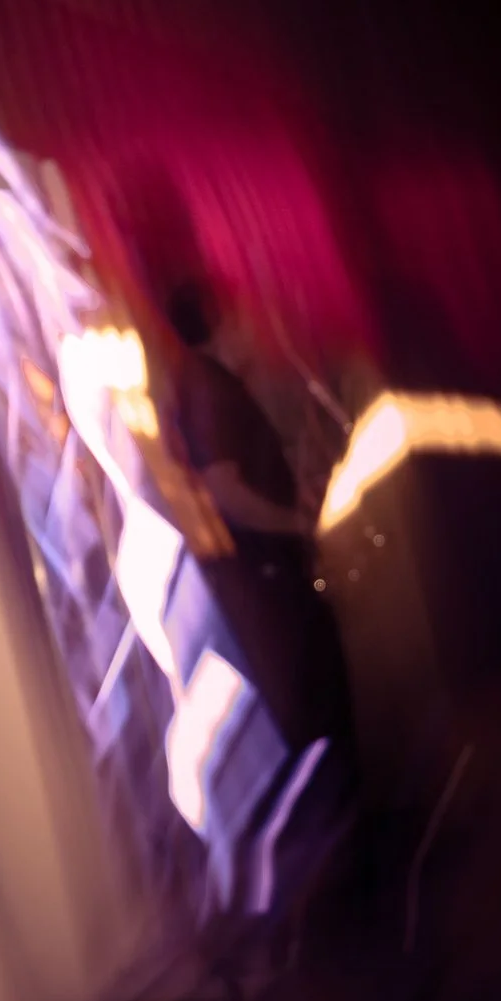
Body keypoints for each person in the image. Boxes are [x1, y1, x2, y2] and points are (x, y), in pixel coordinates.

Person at [164, 278, 353, 755]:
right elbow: (226, 492)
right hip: (268, 572)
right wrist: (295, 523)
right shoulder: (209, 389)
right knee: (318, 694)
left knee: (320, 691)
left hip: (266, 571)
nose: (255, 325)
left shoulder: (211, 384)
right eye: (243, 314)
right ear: (222, 322)